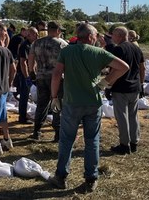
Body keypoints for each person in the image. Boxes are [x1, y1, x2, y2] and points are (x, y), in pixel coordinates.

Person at [48, 23, 129, 192]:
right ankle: (91, 179)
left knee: (66, 140)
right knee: (92, 141)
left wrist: (54, 97)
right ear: (91, 37)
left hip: (72, 102)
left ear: (78, 36)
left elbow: (56, 74)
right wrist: (105, 82)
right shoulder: (99, 52)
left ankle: (61, 176)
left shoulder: (67, 51)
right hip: (93, 102)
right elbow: (123, 67)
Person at [106, 27, 145, 155]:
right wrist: (141, 84)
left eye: (113, 35)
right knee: (133, 115)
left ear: (119, 36)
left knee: (122, 116)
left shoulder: (119, 49)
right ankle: (134, 142)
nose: (112, 37)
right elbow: (142, 68)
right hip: (135, 87)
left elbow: (113, 69)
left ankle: (124, 144)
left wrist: (108, 85)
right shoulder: (137, 48)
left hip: (121, 87)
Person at [28, 21, 69, 141]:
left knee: (41, 105)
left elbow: (30, 58)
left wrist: (31, 72)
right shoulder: (62, 44)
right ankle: (58, 132)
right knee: (57, 104)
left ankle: (37, 131)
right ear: (57, 30)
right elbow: (67, 62)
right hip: (57, 78)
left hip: (41, 77)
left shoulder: (37, 43)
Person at [16, 27, 38, 124]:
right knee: (24, 96)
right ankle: (22, 117)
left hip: (31, 73)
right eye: (35, 34)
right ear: (29, 35)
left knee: (27, 95)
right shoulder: (25, 45)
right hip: (24, 74)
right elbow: (22, 62)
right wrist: (27, 77)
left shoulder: (33, 44)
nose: (37, 36)